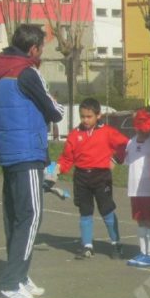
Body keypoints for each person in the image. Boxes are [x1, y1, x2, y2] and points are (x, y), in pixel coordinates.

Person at [0, 23, 64, 298]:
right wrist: (56, 104)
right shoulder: (27, 71)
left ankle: (19, 276)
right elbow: (55, 113)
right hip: (27, 153)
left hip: (8, 153)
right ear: (33, 49)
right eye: (41, 47)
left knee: (15, 217)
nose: (41, 52)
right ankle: (10, 285)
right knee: (30, 218)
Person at [57, 98, 129, 259]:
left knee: (107, 210)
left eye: (89, 116)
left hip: (101, 176)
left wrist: (116, 159)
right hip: (81, 177)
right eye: (82, 116)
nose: (85, 120)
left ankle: (116, 243)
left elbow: (125, 144)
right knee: (85, 211)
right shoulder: (75, 134)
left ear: (98, 115)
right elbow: (67, 158)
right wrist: (56, 170)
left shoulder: (108, 132)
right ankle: (87, 246)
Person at [123, 109, 150, 268]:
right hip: (134, 189)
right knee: (140, 220)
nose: (141, 129)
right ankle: (143, 252)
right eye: (138, 126)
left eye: (144, 125)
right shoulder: (131, 142)